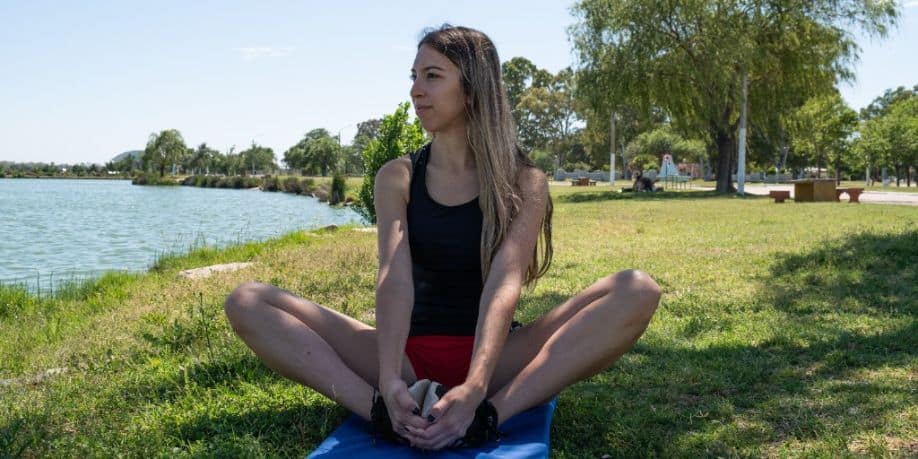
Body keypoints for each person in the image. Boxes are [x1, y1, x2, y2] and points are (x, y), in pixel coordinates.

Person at [223, 25, 662, 451]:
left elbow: (504, 283)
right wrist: (391, 376)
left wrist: (476, 386)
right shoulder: (396, 176)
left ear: (472, 89)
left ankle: (488, 417)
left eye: (432, 76)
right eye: (414, 77)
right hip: (407, 357)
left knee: (637, 290)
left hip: (496, 359)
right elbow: (393, 277)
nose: (417, 90)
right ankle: (381, 413)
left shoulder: (524, 182)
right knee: (246, 301)